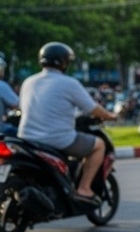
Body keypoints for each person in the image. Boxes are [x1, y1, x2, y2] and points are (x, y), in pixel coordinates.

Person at [16, 42, 118, 204]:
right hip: (57, 139)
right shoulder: (69, 83)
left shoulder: (29, 81)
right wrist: (109, 116)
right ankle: (84, 189)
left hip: (27, 140)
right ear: (64, 62)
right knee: (98, 145)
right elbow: (92, 108)